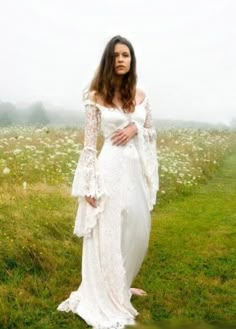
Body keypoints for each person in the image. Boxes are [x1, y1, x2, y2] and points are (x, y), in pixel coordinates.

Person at [57, 35, 159, 329]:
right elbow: (90, 144)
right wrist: (89, 184)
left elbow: (151, 131)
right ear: (108, 60)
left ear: (132, 59)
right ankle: (107, 293)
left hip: (134, 171)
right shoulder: (95, 96)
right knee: (108, 230)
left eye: (126, 54)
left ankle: (122, 282)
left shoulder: (141, 94)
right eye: (115, 55)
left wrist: (135, 129)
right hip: (109, 168)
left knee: (136, 228)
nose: (121, 60)